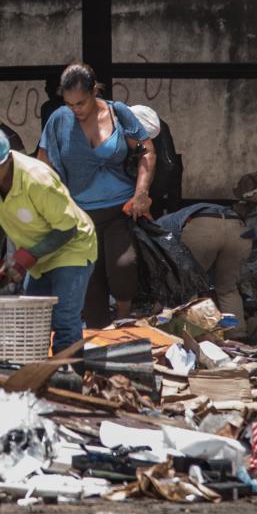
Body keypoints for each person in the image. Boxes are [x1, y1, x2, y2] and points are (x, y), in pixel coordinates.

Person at [37, 63, 154, 329]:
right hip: (80, 213)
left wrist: (141, 193)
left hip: (119, 208)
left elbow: (147, 151)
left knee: (123, 266)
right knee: (89, 284)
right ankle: (98, 341)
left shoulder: (118, 113)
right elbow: (43, 162)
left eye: (81, 103)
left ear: (95, 91)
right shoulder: (58, 119)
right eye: (70, 104)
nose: (76, 110)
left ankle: (124, 321)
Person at [0, 128, 99, 353]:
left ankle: (70, 379)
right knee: (32, 322)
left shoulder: (37, 179)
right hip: (37, 253)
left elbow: (67, 229)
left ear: (8, 158)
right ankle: (34, 376)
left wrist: (24, 258)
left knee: (64, 319)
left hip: (72, 247)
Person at [157, 202, 252, 318]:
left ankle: (188, 330)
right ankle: (236, 333)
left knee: (189, 285)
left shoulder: (159, 225)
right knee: (228, 289)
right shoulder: (179, 216)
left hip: (204, 226)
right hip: (238, 227)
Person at [126, 104, 184, 217]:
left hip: (159, 180)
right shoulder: (121, 126)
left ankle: (170, 219)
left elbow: (169, 166)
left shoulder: (158, 128)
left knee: (167, 170)